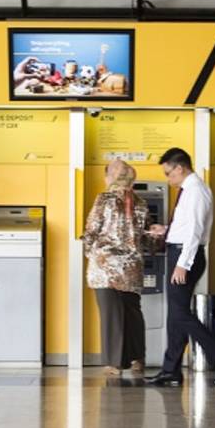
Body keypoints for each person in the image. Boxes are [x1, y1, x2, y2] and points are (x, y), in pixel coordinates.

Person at [145, 147, 215, 387]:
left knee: (179, 313)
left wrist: (182, 264)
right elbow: (187, 227)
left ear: (180, 168)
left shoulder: (196, 191)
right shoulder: (189, 190)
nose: (168, 179)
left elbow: (195, 231)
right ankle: (171, 370)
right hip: (180, 252)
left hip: (186, 256)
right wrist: (166, 230)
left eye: (169, 173)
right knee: (176, 314)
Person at [84, 159, 149, 376]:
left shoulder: (104, 199)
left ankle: (114, 363)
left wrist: (91, 254)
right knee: (132, 313)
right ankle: (137, 359)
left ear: (110, 177)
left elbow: (92, 230)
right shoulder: (141, 202)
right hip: (132, 267)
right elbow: (147, 237)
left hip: (106, 268)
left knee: (111, 313)